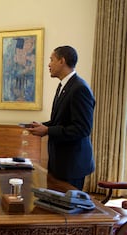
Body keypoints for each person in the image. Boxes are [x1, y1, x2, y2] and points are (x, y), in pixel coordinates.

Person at [27, 45, 95, 190]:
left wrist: (48, 131)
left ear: (62, 61)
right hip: (59, 162)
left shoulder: (79, 88)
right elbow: (60, 121)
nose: (49, 64)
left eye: (51, 60)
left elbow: (82, 129)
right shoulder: (63, 86)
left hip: (72, 165)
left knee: (67, 211)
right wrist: (42, 126)